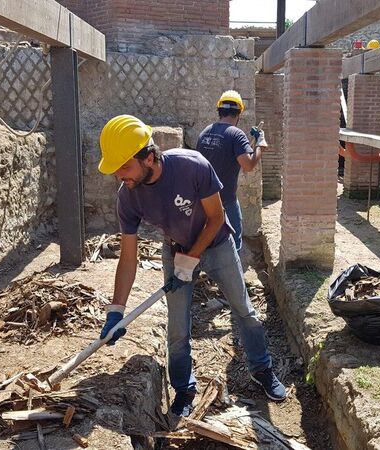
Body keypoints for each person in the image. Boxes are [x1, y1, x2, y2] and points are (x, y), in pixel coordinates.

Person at [96, 115, 286, 417]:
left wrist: (194, 255)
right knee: (177, 327)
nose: (121, 176)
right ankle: (184, 389)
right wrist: (116, 310)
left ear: (148, 157)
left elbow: (215, 217)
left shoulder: (192, 166)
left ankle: (261, 368)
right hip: (177, 250)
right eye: (116, 170)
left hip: (217, 244)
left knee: (244, 309)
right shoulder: (127, 197)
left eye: (125, 167)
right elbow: (128, 257)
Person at [196, 90, 268, 251]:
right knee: (233, 242)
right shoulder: (236, 135)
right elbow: (248, 165)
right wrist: (259, 147)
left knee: (205, 239)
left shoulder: (205, 132)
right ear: (239, 114)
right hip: (225, 200)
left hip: (203, 200)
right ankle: (232, 274)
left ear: (219, 111)